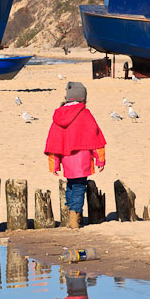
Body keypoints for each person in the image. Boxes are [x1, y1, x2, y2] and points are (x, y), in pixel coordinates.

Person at [44, 82, 106, 228]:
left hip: (66, 160)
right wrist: (100, 160)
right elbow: (96, 139)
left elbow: (54, 142)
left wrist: (54, 163)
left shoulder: (59, 115)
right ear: (83, 99)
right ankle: (74, 216)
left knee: (71, 186)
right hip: (82, 159)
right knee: (78, 187)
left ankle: (71, 214)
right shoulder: (85, 114)